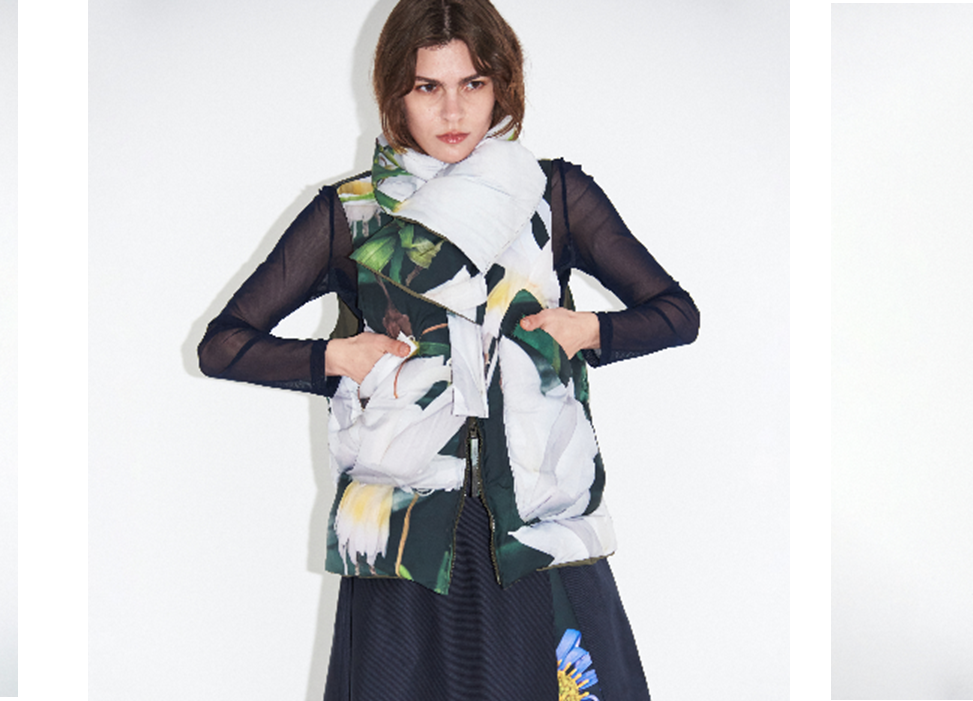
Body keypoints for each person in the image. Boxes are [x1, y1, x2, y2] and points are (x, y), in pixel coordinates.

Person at [198, 1, 698, 697]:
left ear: (502, 86)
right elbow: (224, 345)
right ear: (394, 93)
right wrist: (335, 359)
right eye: (427, 87)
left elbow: (675, 314)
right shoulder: (353, 213)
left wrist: (589, 331)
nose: (453, 110)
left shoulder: (550, 195)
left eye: (473, 83)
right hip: (407, 537)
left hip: (535, 530)